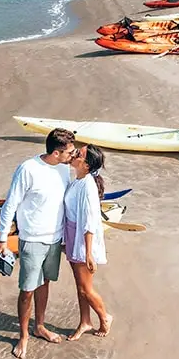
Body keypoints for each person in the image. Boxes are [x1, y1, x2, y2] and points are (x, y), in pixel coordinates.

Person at [0, 127, 76, 359]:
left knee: (45, 283)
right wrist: (2, 239)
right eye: (69, 152)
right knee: (27, 290)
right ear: (56, 153)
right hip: (32, 239)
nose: (73, 155)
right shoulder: (28, 169)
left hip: (55, 239)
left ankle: (39, 326)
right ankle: (23, 336)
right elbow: (10, 204)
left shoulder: (64, 169)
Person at [63, 144, 113, 340]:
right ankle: (85, 321)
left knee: (86, 288)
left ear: (86, 165)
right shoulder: (78, 180)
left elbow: (90, 221)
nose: (75, 154)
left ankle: (105, 317)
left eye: (79, 154)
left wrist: (88, 253)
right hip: (72, 235)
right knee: (79, 285)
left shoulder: (87, 186)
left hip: (83, 240)